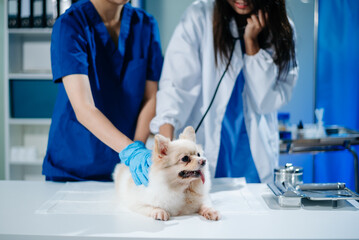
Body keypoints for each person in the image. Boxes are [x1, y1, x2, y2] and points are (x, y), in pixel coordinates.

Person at [150, 0, 298, 183]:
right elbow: (175, 85)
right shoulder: (199, 17)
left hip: (253, 155)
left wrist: (252, 44)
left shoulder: (282, 29)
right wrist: (165, 150)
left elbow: (265, 102)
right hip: (204, 146)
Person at [42, 0, 163, 185]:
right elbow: (83, 108)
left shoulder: (145, 24)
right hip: (74, 168)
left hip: (125, 170)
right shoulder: (71, 24)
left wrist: (137, 148)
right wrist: (130, 150)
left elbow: (151, 97)